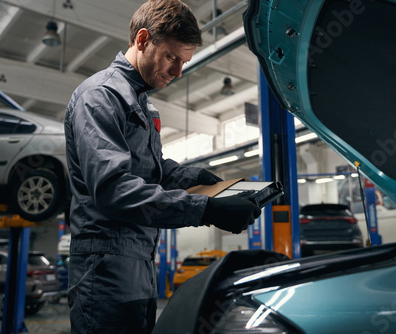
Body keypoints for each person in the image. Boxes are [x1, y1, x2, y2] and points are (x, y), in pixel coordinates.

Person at [63, 0, 261, 333]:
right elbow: (114, 190)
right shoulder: (100, 97)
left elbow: (152, 173)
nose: (178, 72)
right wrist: (205, 209)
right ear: (142, 40)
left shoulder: (141, 103)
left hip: (138, 263)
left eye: (184, 62)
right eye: (172, 57)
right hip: (104, 268)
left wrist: (195, 178)